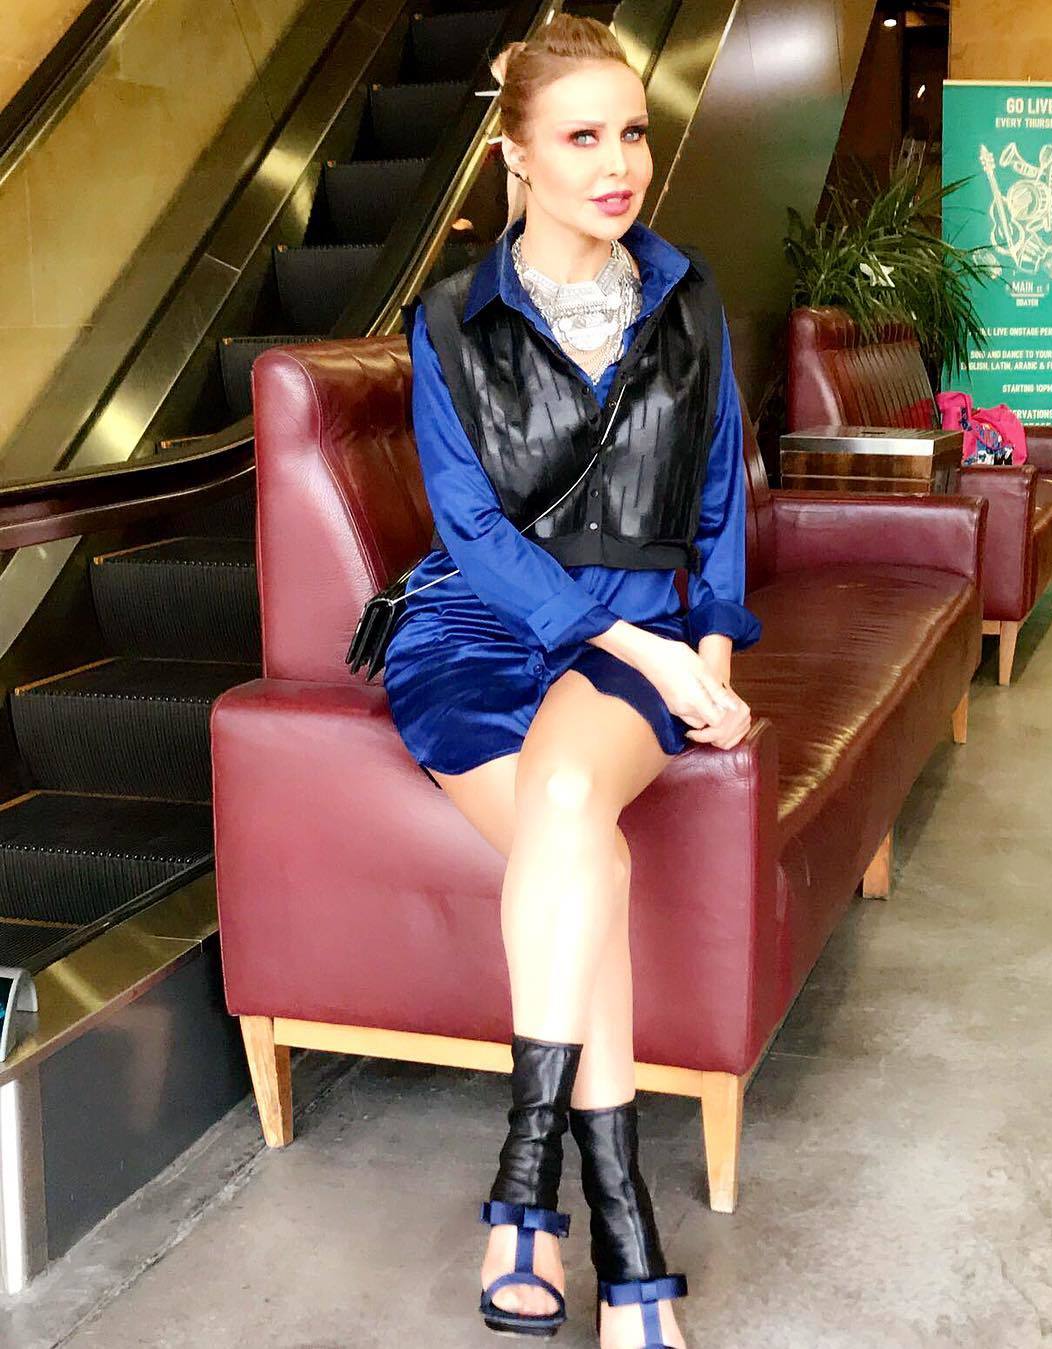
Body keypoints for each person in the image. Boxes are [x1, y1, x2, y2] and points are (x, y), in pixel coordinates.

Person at [381, 15, 762, 1348]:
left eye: (633, 132)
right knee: (584, 853)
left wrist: (708, 655)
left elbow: (718, 506)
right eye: (582, 137)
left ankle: (525, 1195)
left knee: (563, 805)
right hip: (475, 632)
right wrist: (645, 647)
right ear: (517, 157)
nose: (617, 164)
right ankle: (622, 1227)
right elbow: (471, 532)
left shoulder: (689, 298)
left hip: (645, 630)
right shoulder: (450, 319)